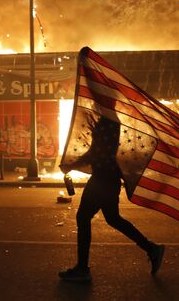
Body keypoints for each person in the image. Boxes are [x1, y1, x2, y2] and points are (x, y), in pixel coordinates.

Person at [59, 117, 165, 282]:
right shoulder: (109, 120)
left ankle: (82, 269)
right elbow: (97, 151)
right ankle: (151, 248)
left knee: (83, 217)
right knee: (113, 219)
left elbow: (96, 153)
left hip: (103, 179)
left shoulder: (108, 121)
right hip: (108, 178)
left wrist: (72, 165)